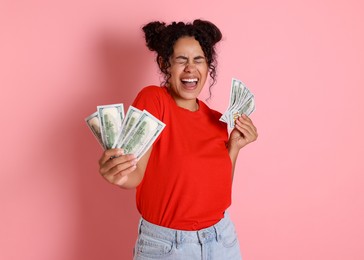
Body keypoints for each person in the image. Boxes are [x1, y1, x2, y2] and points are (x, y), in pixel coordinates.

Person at [98, 19, 258, 260]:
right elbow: (134, 174)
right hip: (169, 247)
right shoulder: (154, 100)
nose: (190, 69)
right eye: (181, 60)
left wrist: (234, 146)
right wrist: (118, 174)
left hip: (222, 240)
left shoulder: (217, 120)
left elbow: (218, 190)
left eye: (198, 60)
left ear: (208, 67)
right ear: (165, 64)